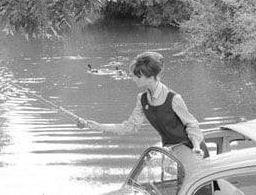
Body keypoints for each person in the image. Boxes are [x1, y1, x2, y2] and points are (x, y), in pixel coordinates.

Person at [77, 52, 207, 163]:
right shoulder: (142, 99)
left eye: (136, 76)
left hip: (194, 152)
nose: (132, 78)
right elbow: (129, 127)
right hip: (172, 153)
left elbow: (192, 125)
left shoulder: (174, 99)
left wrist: (196, 146)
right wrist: (95, 126)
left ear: (150, 77)